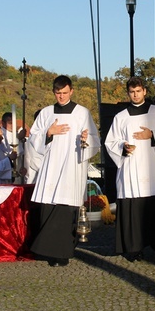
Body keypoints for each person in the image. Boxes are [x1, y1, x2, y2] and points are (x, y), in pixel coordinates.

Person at [28, 75, 100, 267]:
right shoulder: (46, 113)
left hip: (71, 167)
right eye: (58, 93)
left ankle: (64, 253)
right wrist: (48, 133)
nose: (61, 96)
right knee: (49, 206)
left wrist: (86, 140)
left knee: (67, 210)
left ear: (72, 91)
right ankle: (49, 253)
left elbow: (94, 140)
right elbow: (33, 138)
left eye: (64, 93)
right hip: (51, 167)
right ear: (54, 92)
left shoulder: (82, 113)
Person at [105, 77, 155, 262]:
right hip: (130, 169)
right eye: (132, 91)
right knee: (132, 209)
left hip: (152, 168)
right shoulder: (120, 117)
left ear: (144, 91)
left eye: (138, 91)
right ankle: (134, 247)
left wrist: (152, 135)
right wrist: (123, 146)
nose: (135, 94)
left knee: (151, 208)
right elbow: (110, 141)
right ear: (128, 93)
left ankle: (152, 237)